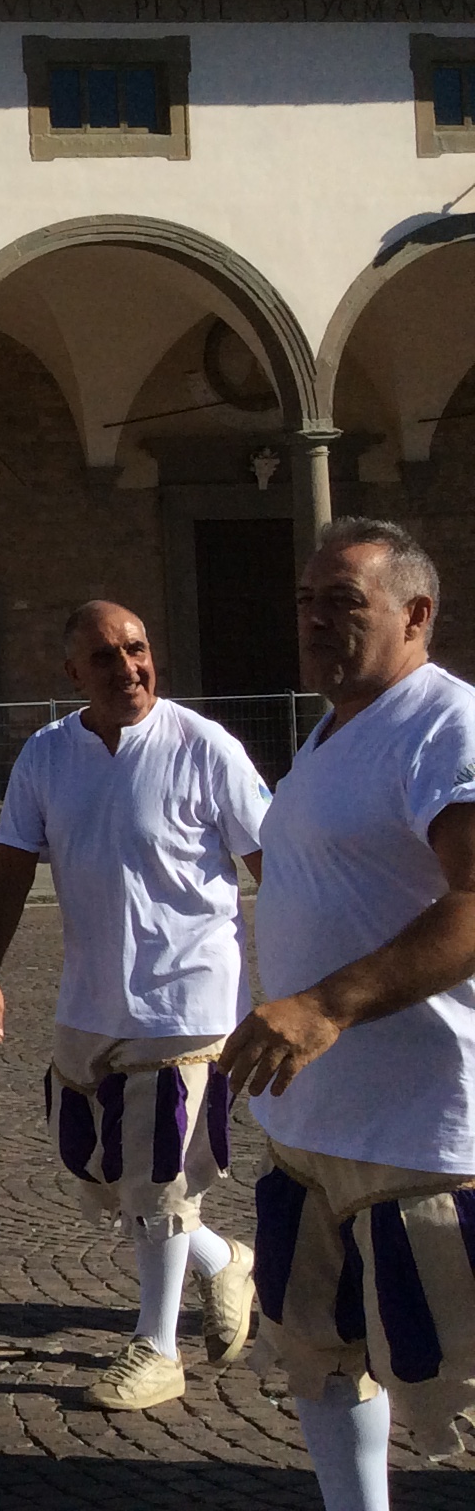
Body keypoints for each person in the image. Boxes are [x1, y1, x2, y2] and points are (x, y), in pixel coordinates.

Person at [218, 519, 475, 1509]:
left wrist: (329, 1003)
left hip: (420, 1131)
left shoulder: (444, 724)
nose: (317, 621)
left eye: (344, 603)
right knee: (319, 1349)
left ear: (417, 614)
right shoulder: (332, 730)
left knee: (451, 1362)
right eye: (307, 602)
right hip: (309, 1131)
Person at [0, 600, 268, 1409]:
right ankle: (222, 1261)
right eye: (106, 657)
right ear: (74, 673)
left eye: (137, 648)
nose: (129, 667)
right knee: (99, 1171)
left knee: (160, 1171)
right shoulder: (47, 755)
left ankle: (155, 1348)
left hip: (190, 998)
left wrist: (315, 985)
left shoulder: (205, 748)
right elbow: (12, 867)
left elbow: (275, 864)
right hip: (92, 998)